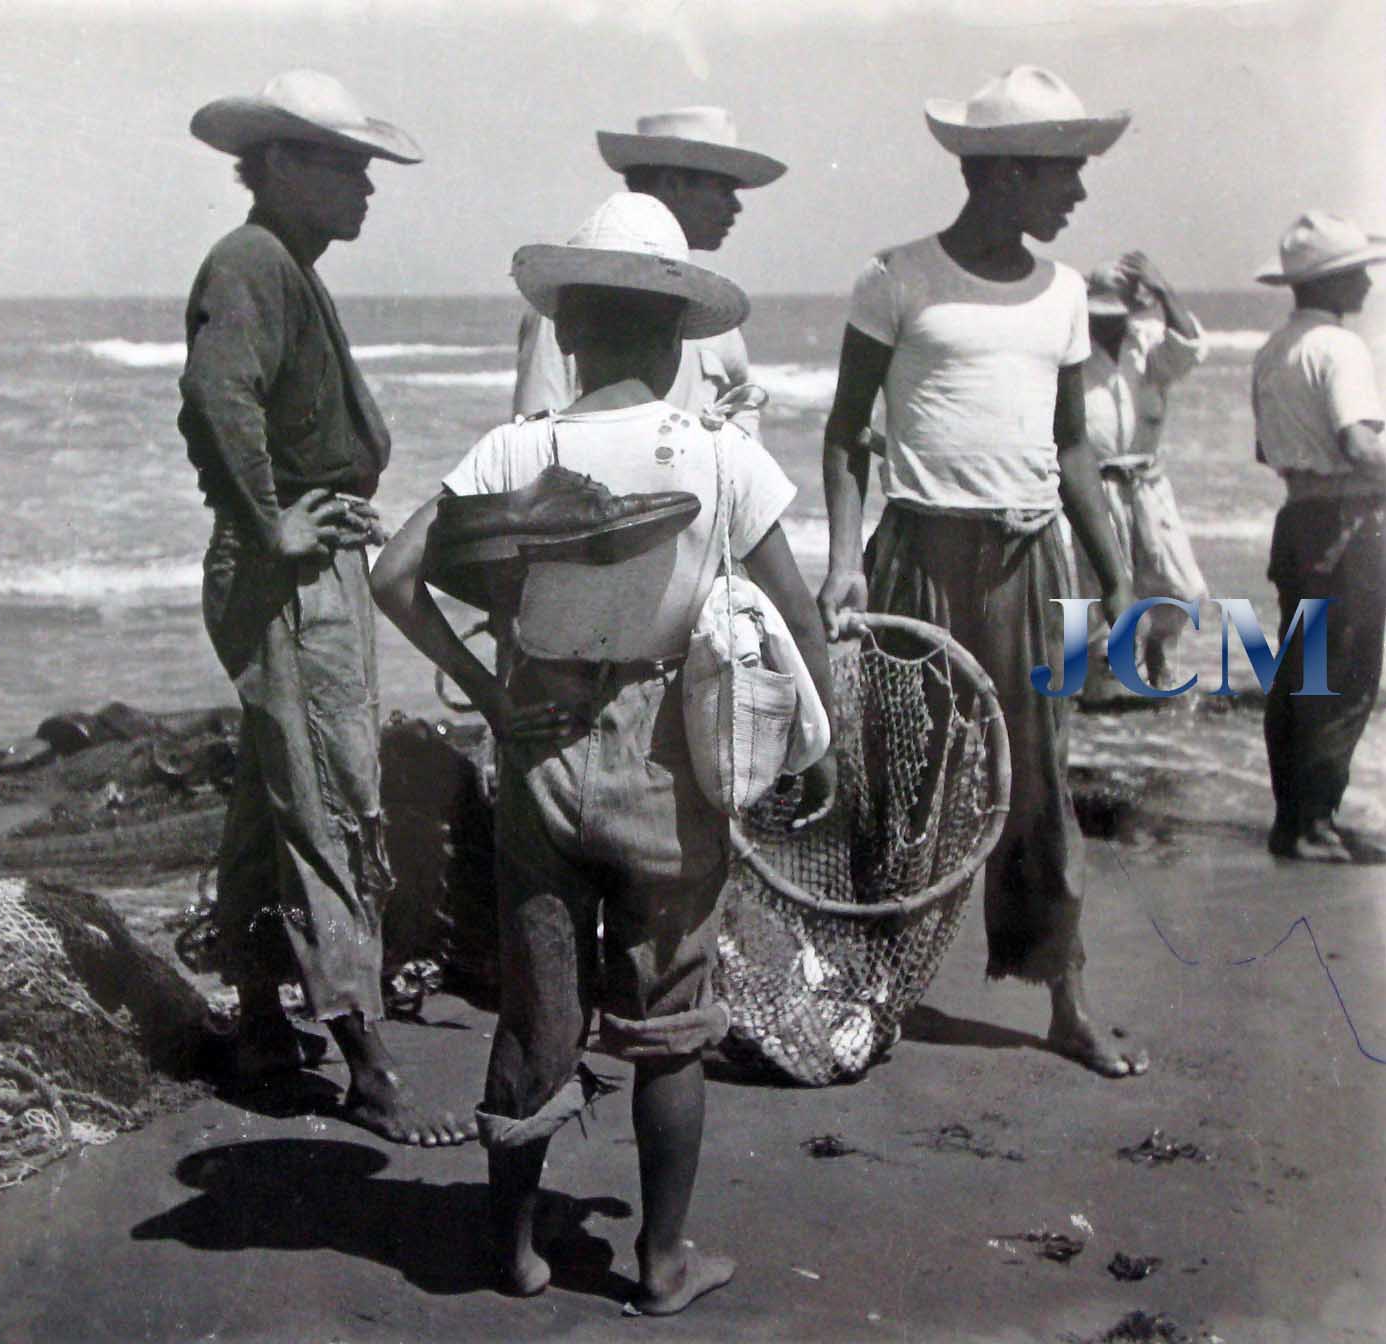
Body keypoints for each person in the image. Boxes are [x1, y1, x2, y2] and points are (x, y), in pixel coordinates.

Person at [373, 191, 836, 1310]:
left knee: (539, 1008)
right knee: (668, 1025)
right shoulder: (721, 456)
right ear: (679, 339)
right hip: (667, 755)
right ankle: (662, 1257)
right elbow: (800, 618)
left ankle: (515, 1250)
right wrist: (820, 744)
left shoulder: (515, 449)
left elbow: (394, 576)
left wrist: (489, 690)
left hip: (539, 745)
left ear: (567, 333)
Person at [817, 66, 1148, 1078]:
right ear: (1002, 170)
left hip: (1025, 558)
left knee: (1037, 781)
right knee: (894, 778)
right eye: (1065, 174)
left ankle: (1066, 1001)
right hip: (917, 552)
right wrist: (842, 562)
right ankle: (869, 991)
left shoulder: (1067, 294)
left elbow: (1073, 447)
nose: (1078, 197)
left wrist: (1115, 571)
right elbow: (844, 437)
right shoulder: (894, 277)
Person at [178, 70, 472, 1145]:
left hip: (299, 569)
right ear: (283, 164)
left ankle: (263, 1017)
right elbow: (218, 397)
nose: (366, 189)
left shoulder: (282, 265)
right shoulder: (255, 261)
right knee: (335, 802)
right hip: (290, 577)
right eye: (347, 165)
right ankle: (371, 1069)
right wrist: (276, 528)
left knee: (275, 794)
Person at [512, 107, 785, 440]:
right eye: (724, 188)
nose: (736, 206)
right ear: (673, 184)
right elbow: (535, 445)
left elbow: (744, 430)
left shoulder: (714, 316)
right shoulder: (580, 297)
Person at [1251, 211, 1386, 863]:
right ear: (1332, 283)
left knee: (1300, 672)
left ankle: (1295, 817)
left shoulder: (1275, 348)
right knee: (1349, 672)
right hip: (1348, 525)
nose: (1366, 282)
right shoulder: (1341, 348)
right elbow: (1359, 443)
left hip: (1297, 519)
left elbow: (1264, 448)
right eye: (1356, 271)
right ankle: (1315, 821)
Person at [1074, 253, 1209, 690]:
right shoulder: (1070, 347)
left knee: (1177, 582)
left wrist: (1164, 291)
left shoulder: (1149, 342)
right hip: (1093, 483)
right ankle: (1103, 688)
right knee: (1097, 588)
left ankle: (1159, 653)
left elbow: (1190, 348)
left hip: (1147, 483)